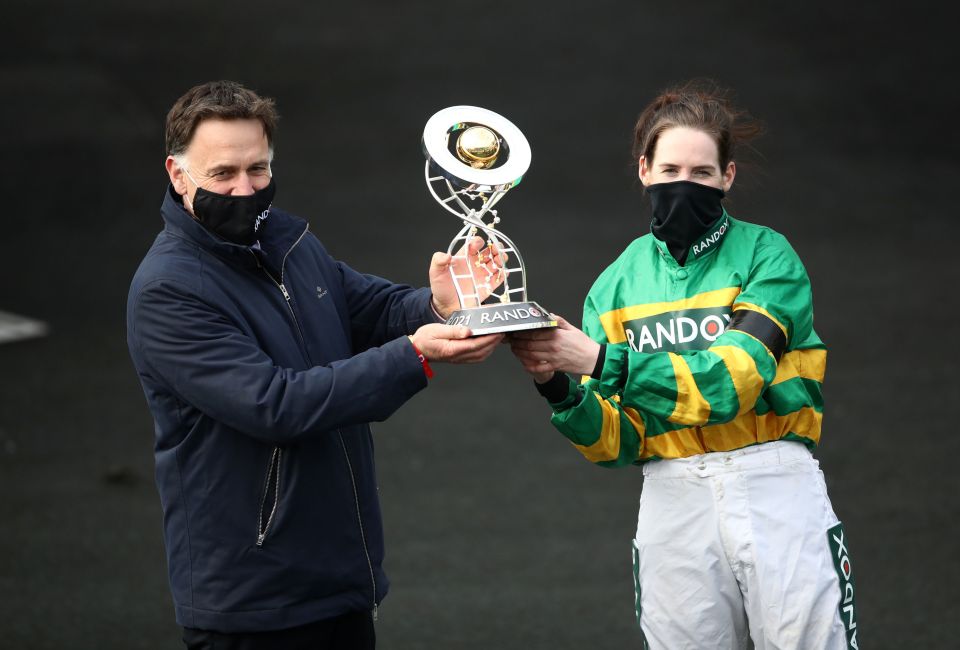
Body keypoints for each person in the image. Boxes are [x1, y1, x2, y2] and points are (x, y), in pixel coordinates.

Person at [126, 80, 505, 649]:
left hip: (338, 579)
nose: (244, 189)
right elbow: (276, 405)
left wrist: (437, 305)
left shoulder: (286, 239)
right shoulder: (168, 291)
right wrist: (414, 354)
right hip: (253, 603)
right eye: (222, 175)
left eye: (258, 169)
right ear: (178, 176)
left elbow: (366, 306)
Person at [509, 81, 858, 649]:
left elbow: (731, 387)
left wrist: (597, 359)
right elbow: (619, 441)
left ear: (728, 177)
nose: (683, 184)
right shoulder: (614, 284)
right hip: (672, 499)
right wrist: (556, 384)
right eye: (670, 170)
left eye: (701, 173)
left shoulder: (769, 257)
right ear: (644, 170)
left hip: (773, 484)